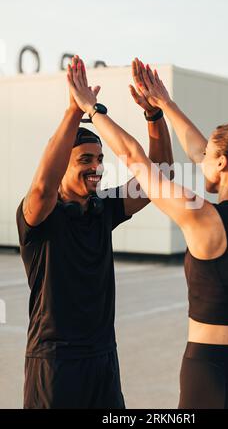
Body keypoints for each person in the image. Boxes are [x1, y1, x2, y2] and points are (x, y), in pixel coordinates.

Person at [67, 56, 228, 409]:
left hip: (213, 377)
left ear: (222, 164)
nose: (199, 159)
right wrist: (164, 106)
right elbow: (201, 150)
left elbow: (136, 159)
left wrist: (92, 109)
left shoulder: (204, 218)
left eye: (208, 156)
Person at [15, 56, 174, 409]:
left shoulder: (103, 208)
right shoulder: (40, 215)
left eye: (99, 159)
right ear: (64, 165)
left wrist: (154, 115)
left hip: (103, 355)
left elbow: (159, 179)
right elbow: (43, 186)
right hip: (55, 361)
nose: (97, 168)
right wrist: (74, 112)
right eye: (85, 160)